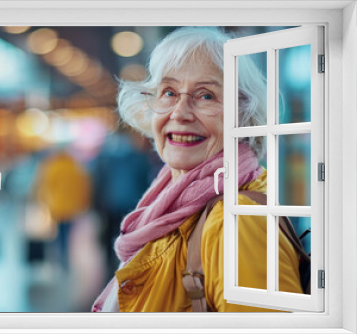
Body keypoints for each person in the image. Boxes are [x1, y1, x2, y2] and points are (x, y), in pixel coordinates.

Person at [92, 27, 303, 312]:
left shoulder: (237, 221)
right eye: (168, 92)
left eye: (206, 96)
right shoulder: (170, 202)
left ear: (244, 115)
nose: (179, 112)